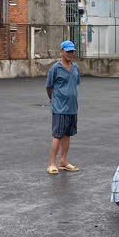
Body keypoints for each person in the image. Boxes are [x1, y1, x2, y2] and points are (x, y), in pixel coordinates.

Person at [45, 40, 81, 175]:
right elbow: (49, 87)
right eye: (68, 51)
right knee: (57, 135)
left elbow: (75, 84)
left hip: (72, 107)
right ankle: (52, 163)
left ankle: (63, 161)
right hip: (60, 108)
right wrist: (53, 99)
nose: (70, 54)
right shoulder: (55, 68)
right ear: (62, 51)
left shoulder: (75, 68)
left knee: (67, 134)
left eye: (72, 51)